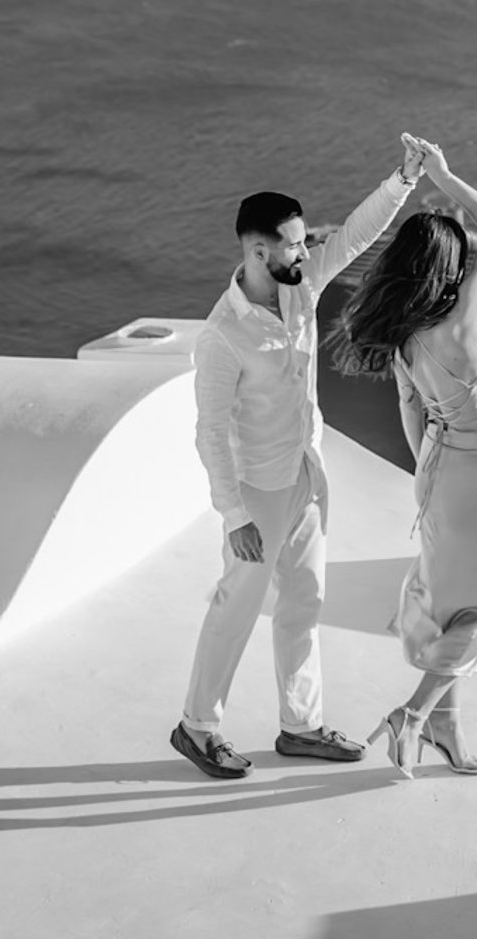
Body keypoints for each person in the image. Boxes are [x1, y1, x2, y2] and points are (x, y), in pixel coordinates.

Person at [171, 132, 425, 781]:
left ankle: (301, 727)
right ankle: (197, 729)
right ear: (258, 251)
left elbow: (355, 239)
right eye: (293, 242)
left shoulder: (301, 282)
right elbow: (209, 432)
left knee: (304, 604)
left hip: (308, 475)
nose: (307, 248)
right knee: (235, 609)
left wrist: (402, 180)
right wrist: (234, 516)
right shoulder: (224, 337)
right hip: (256, 492)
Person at [328, 143, 477, 776]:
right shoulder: (462, 323)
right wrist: (441, 174)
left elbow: (412, 414)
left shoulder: (404, 339)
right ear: (449, 266)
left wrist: (429, 476)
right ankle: (410, 715)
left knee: (450, 599)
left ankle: (446, 725)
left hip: (434, 473)